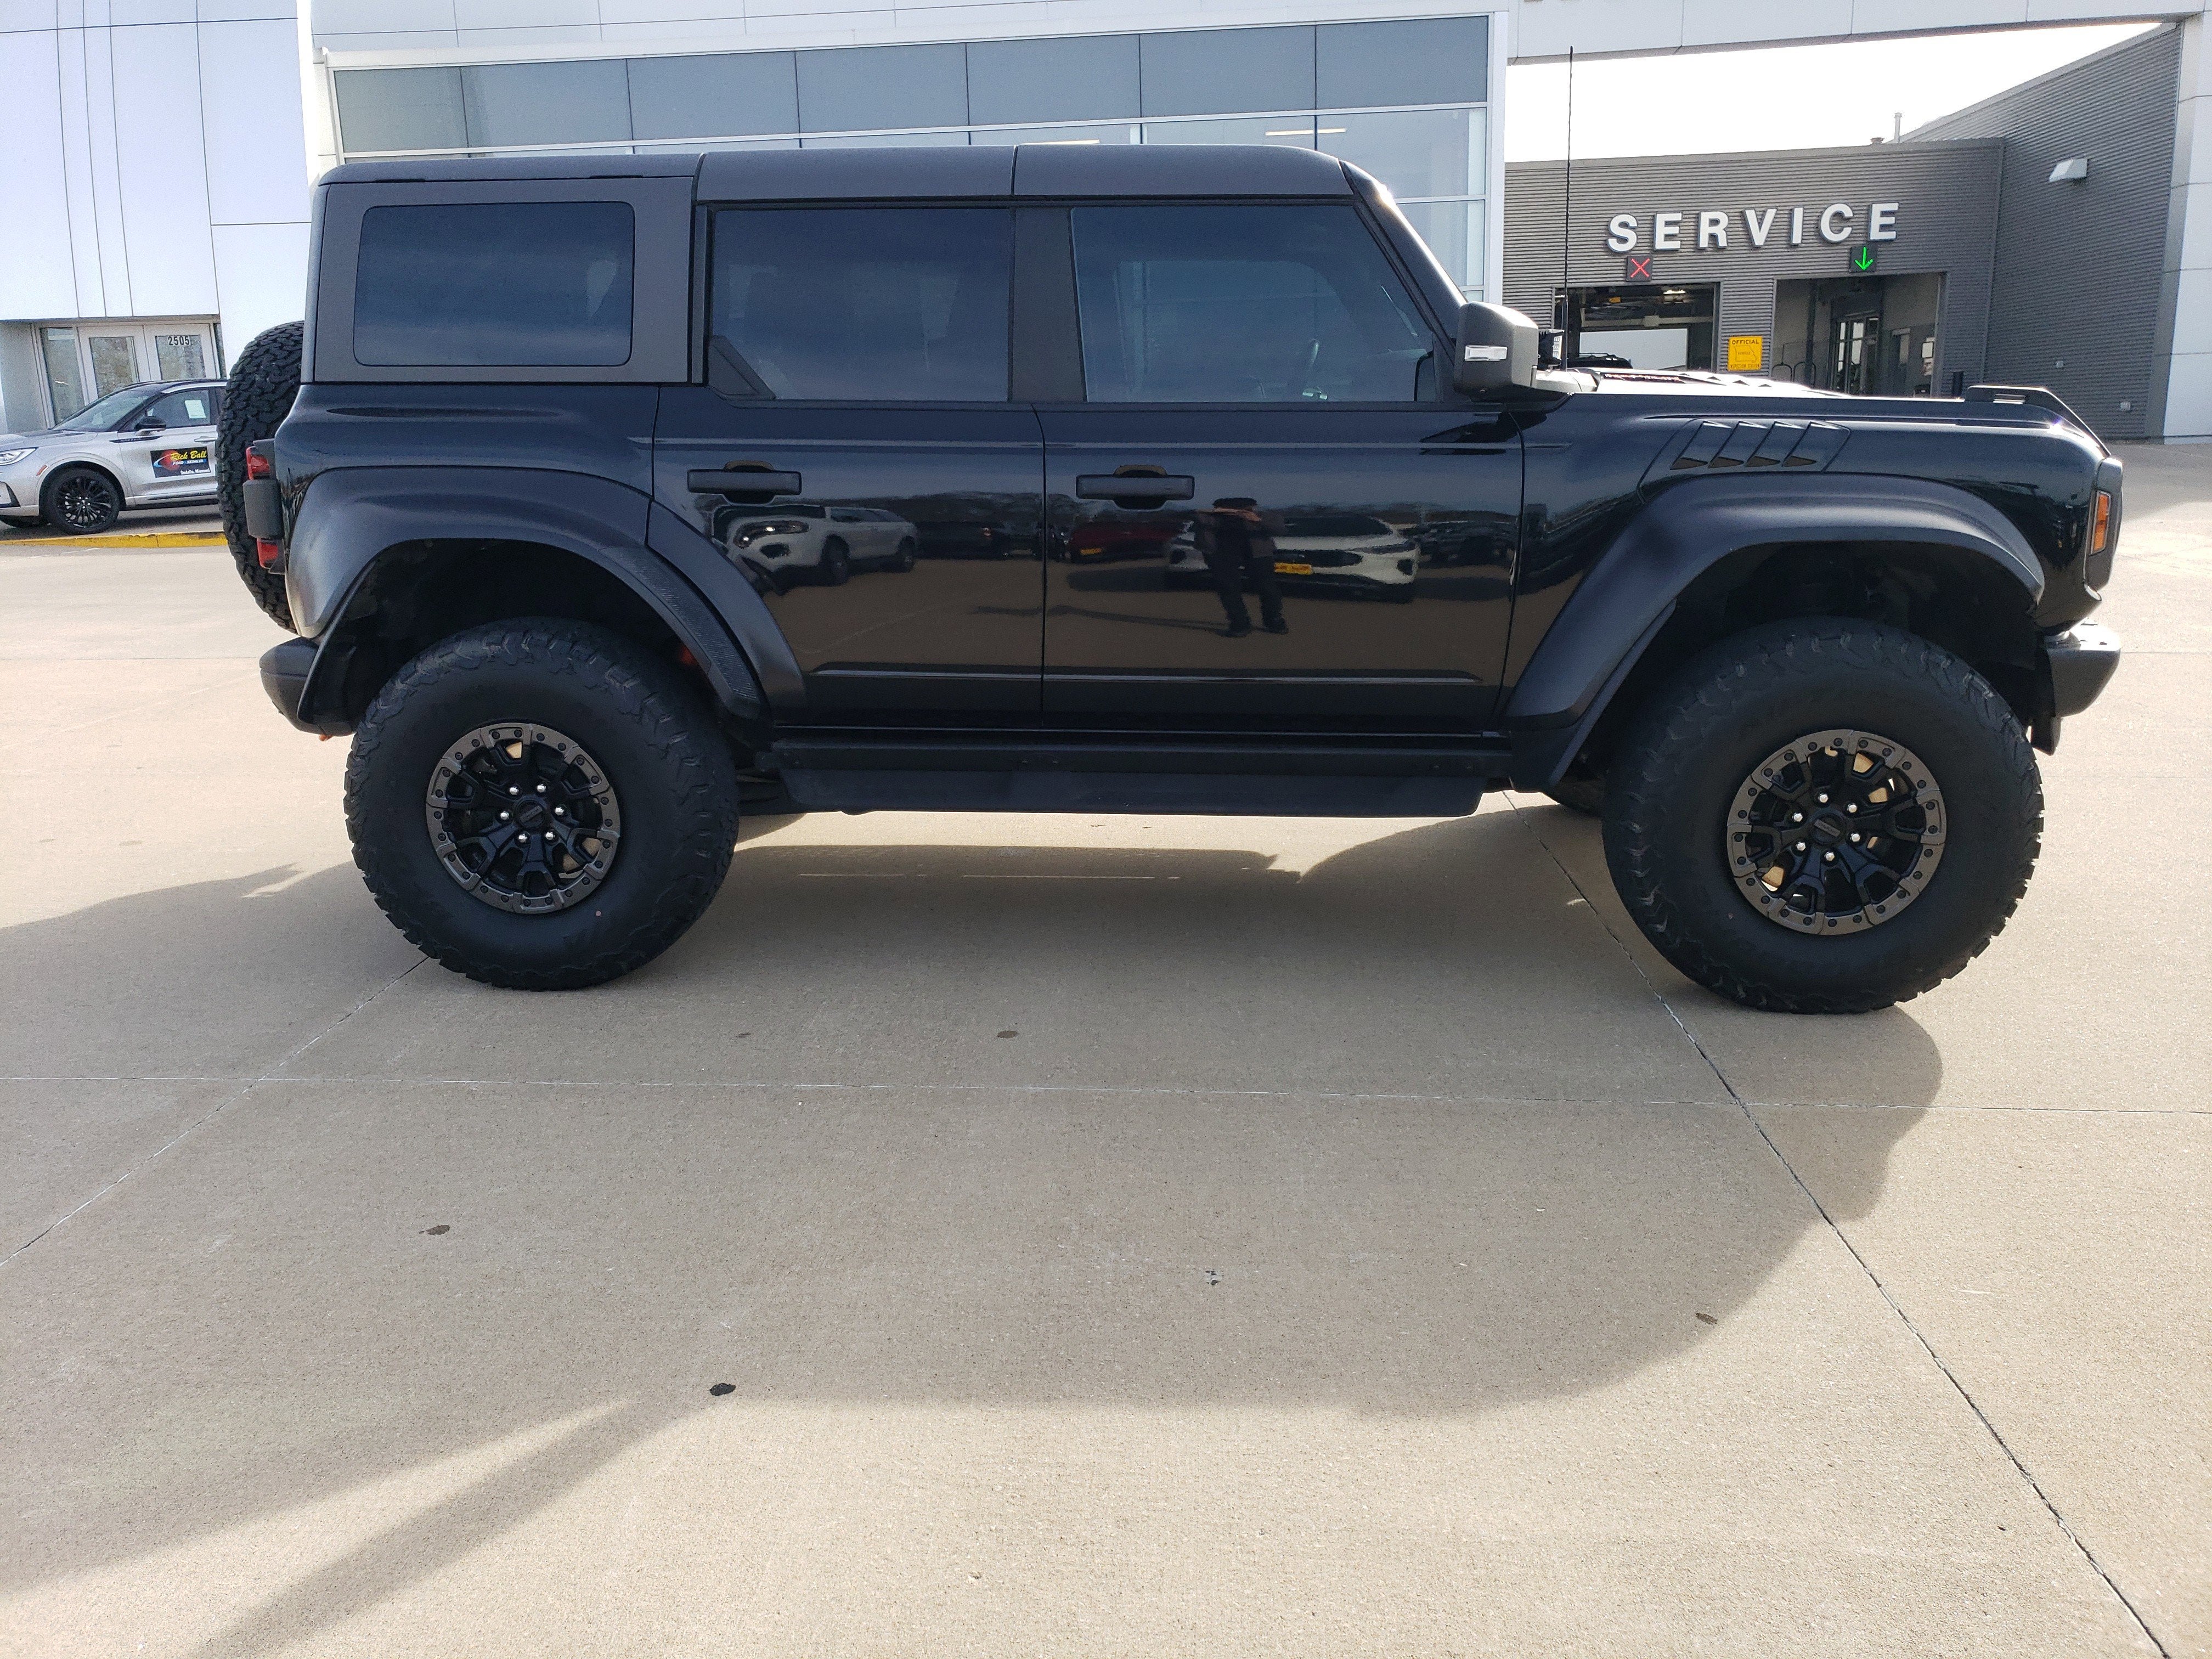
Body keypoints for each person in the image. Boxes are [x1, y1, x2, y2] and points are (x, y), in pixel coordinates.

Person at [1193, 497, 1287, 638]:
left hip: (1258, 554)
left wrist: (1257, 520)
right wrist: (1218, 513)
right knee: (1228, 589)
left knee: (1268, 588)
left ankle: (1274, 619)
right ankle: (1240, 623)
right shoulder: (1209, 517)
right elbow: (1191, 519)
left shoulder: (1264, 514)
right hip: (1221, 554)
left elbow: (1280, 529)